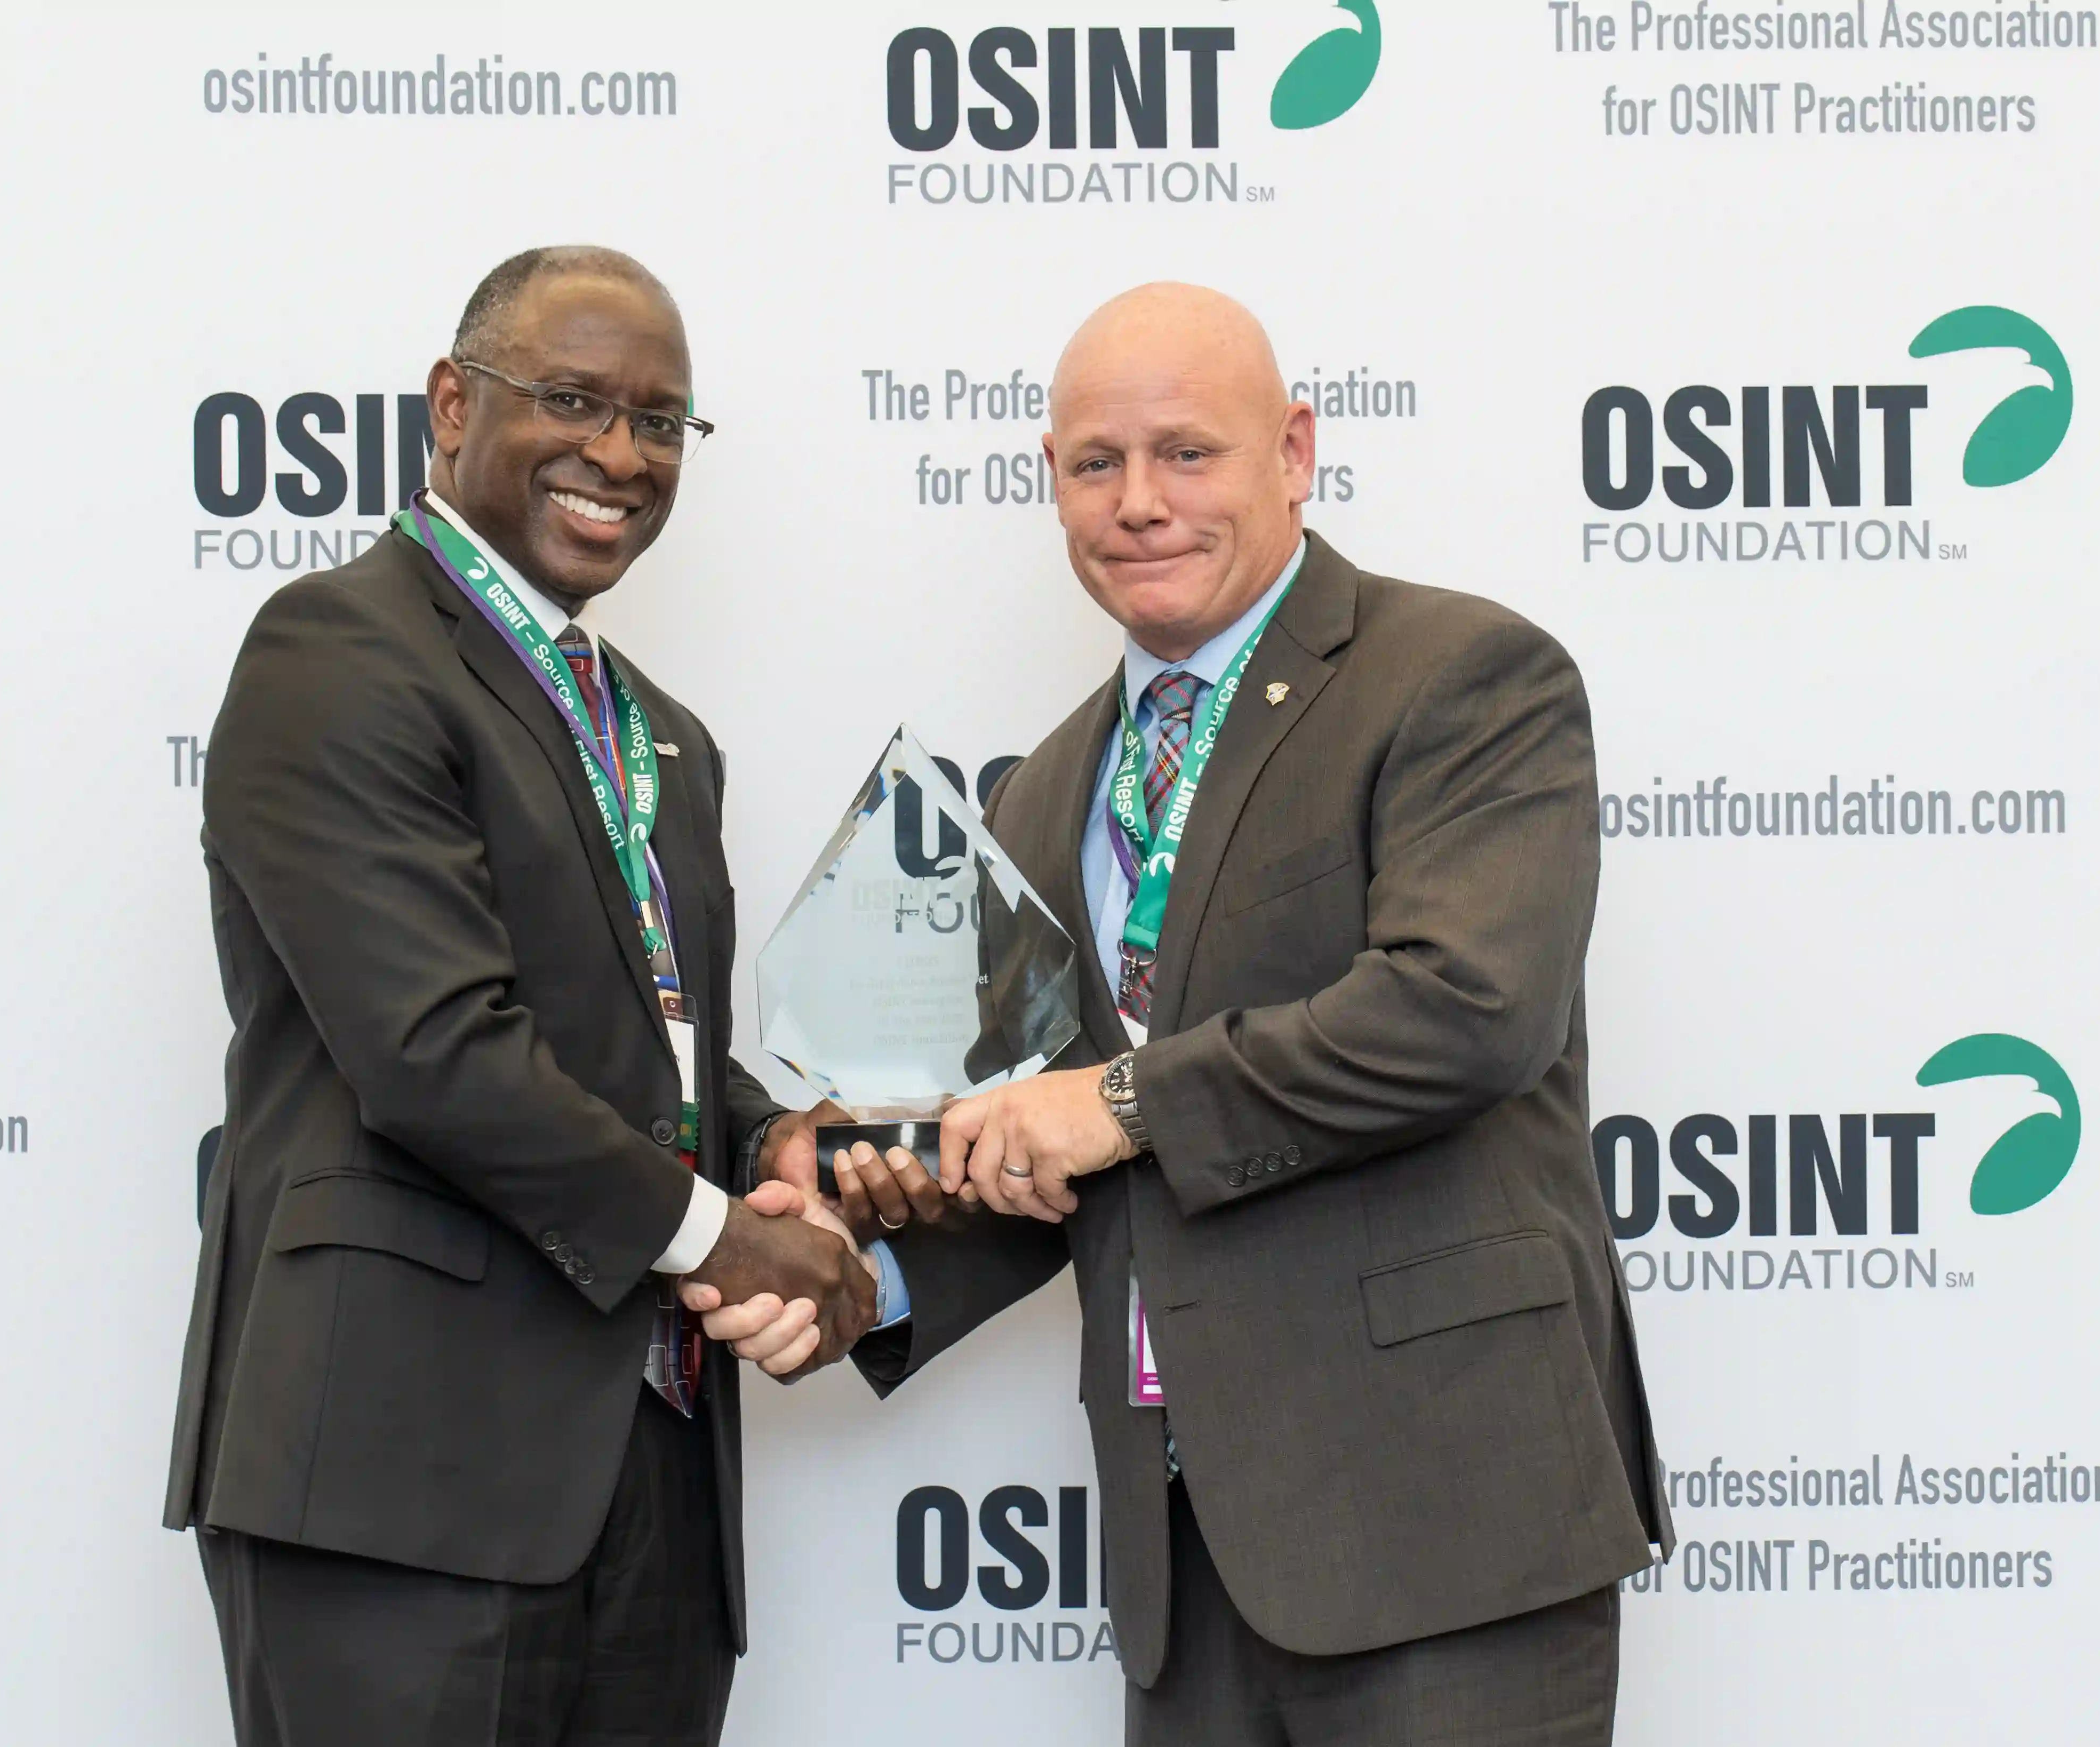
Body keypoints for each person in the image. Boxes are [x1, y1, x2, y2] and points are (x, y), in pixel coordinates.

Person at [691, 283, 1673, 1745]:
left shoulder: (1461, 675)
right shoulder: (1046, 790)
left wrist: (1115, 1102)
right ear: (1053, 482)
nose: (1141, 502)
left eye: (1187, 453)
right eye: (1097, 464)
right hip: (1184, 1548)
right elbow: (1042, 1159)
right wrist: (860, 1274)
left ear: (1295, 449)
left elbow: (1468, 1010)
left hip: (1445, 1521)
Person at [163, 245, 875, 1747]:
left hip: (655, 1478)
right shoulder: (338, 652)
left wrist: (771, 1147)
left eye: (661, 422)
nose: (619, 454)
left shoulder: (661, 735)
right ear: (450, 405)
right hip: (401, 1484)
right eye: (571, 399)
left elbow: (648, 1050)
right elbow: (434, 1051)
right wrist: (726, 1236)